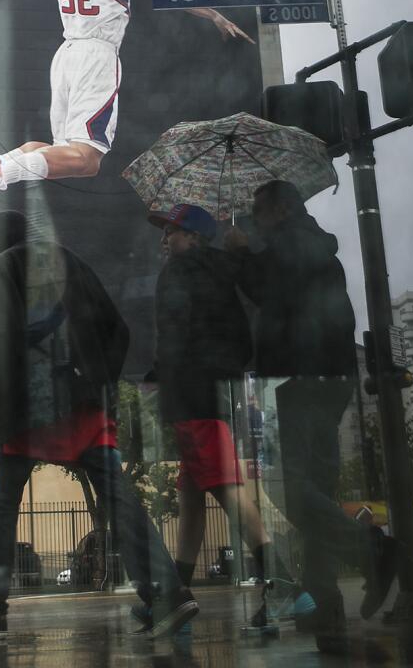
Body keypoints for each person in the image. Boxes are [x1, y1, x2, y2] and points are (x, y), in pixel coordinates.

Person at [0, 211, 197, 639]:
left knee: (4, 506)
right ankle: (167, 593)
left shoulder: (3, 266)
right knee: (119, 498)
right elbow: (118, 329)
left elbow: (2, 339)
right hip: (85, 407)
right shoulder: (71, 261)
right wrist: (97, 383)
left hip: (30, 411)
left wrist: (9, 398)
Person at [225, 180, 399, 653]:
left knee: (291, 488)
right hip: (327, 376)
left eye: (259, 210)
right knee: (316, 491)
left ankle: (372, 550)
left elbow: (267, 290)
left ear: (280, 209)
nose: (256, 219)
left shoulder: (292, 242)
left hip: (306, 378)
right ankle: (325, 601)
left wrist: (240, 254)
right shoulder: (311, 244)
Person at [0, 0, 254, 208]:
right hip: (96, 56)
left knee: (62, 153)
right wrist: (215, 15)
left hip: (66, 54)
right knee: (87, 159)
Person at [148, 203, 313, 628]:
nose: (165, 240)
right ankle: (176, 591)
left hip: (190, 389)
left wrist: (162, 376)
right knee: (191, 493)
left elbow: (173, 328)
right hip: (215, 386)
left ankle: (280, 580)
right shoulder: (222, 271)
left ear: (196, 238)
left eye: (173, 232)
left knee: (223, 485)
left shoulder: (181, 272)